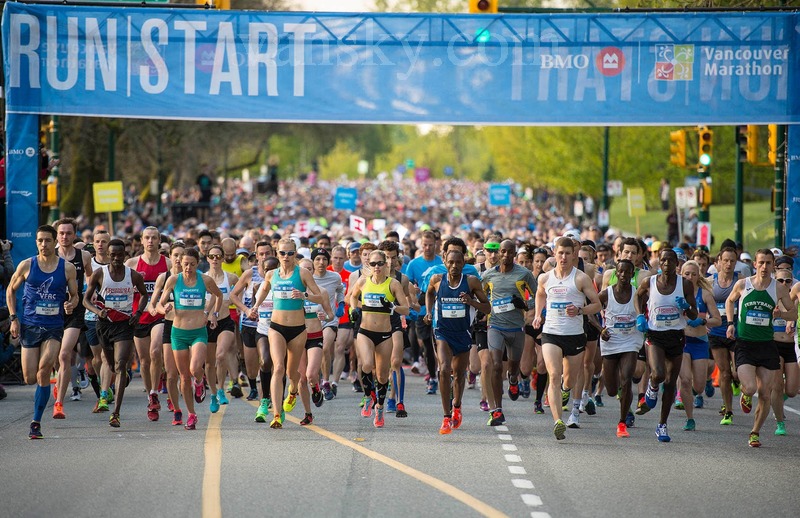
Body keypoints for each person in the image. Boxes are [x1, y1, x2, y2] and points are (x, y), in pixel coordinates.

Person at [6, 225, 79, 439]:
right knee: (30, 377)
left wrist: (71, 304)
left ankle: (35, 423)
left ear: (54, 241)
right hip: (30, 325)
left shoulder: (66, 269)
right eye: (40, 241)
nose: (44, 245)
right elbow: (11, 290)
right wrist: (13, 318)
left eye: (48, 240)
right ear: (36, 242)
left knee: (44, 370)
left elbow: (74, 295)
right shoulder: (27, 265)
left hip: (54, 326)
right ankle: (46, 389)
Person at [248, 238, 324, 429]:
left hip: (298, 330)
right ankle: (276, 414)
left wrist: (304, 295)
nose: (286, 257)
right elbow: (263, 292)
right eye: (282, 253)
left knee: (293, 374)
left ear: (295, 253)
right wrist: (255, 308)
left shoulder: (303, 273)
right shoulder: (272, 274)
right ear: (277, 253)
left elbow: (320, 296)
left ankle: (292, 390)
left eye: (290, 253)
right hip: (276, 327)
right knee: (278, 367)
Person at [725, 249, 796, 447]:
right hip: (745, 344)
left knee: (765, 393)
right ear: (754, 265)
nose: (764, 267)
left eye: (768, 263)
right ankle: (746, 395)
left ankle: (755, 432)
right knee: (750, 387)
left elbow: (793, 313)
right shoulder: (743, 284)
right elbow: (730, 301)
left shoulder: (779, 289)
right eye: (761, 263)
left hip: (766, 345)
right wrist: (730, 323)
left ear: (774, 265)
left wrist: (780, 315)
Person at [533, 237, 601, 439]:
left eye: (567, 253)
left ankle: (566, 389)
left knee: (569, 380)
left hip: (575, 335)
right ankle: (557, 421)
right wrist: (538, 315)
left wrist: (580, 309)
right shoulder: (545, 278)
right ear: (554, 254)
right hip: (551, 333)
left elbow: (597, 304)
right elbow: (540, 294)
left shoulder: (581, 278)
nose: (563, 257)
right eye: (560, 253)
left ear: (574, 255)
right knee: (554, 375)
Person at [83, 239, 149, 427]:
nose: (117, 258)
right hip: (104, 325)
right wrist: (98, 311)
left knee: (120, 365)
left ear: (125, 254)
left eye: (120, 254)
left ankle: (116, 413)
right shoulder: (99, 274)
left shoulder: (133, 275)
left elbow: (144, 294)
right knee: (111, 365)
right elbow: (85, 300)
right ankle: (121, 376)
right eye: (113, 255)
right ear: (109, 255)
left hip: (124, 325)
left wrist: (138, 313)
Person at [425, 250, 490, 434]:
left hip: (463, 332)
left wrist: (471, 302)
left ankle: (457, 406)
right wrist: (429, 313)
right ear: (445, 261)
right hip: (442, 331)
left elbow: (487, 307)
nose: (454, 266)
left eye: (458, 262)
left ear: (464, 263)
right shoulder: (437, 279)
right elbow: (429, 294)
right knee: (444, 369)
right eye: (450, 262)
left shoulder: (471, 282)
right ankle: (446, 417)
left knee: (460, 374)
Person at [636, 247, 698, 443]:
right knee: (659, 374)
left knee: (671, 382)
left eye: (671, 261)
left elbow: (694, 315)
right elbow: (638, 296)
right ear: (659, 263)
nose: (667, 264)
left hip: (677, 336)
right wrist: (639, 314)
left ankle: (662, 424)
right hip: (655, 334)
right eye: (663, 261)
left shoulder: (685, 284)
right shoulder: (650, 282)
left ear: (677, 264)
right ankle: (652, 387)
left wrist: (686, 307)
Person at [158, 248, 223, 430]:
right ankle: (191, 414)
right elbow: (161, 303)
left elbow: (218, 295)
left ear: (197, 264)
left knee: (195, 369)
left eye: (192, 264)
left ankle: (200, 382)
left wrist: (212, 314)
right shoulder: (173, 280)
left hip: (198, 332)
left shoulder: (205, 280)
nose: (188, 268)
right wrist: (166, 309)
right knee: (184, 377)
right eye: (185, 264)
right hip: (178, 333)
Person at [349, 249, 410, 428]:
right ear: (369, 265)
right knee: (367, 364)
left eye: (380, 263)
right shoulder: (363, 281)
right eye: (373, 264)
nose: (376, 267)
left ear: (386, 265)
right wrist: (354, 309)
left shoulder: (393, 284)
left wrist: (391, 306)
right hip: (365, 331)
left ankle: (380, 407)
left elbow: (405, 309)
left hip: (385, 334)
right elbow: (353, 297)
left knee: (383, 375)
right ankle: (369, 396)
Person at [481, 240, 538, 427]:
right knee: (496, 365)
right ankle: (497, 410)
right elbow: (480, 296)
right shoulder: (488, 275)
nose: (505, 255)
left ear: (514, 254)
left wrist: (524, 304)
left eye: (509, 252)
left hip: (516, 328)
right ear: (499, 253)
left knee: (513, 367)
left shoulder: (524, 274)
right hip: (495, 326)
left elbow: (537, 298)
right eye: (502, 251)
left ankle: (513, 379)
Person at [126, 226, 170, 422]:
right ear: (142, 241)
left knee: (155, 352)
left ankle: (155, 391)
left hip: (160, 316)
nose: (150, 241)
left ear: (159, 240)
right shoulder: (132, 264)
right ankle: (150, 396)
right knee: (144, 361)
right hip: (139, 317)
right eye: (147, 238)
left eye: (154, 238)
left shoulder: (167, 263)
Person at [52, 218, 93, 419]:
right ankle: (60, 379)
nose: (65, 236)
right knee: (55, 357)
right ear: (56, 235)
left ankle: (59, 403)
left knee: (64, 354)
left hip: (75, 311)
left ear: (75, 234)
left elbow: (91, 280)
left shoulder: (83, 256)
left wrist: (88, 298)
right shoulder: (50, 255)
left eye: (69, 233)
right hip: (53, 310)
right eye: (61, 233)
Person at [598, 259, 642, 437]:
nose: (623, 275)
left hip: (631, 341)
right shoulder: (606, 294)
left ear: (632, 274)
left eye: (627, 272)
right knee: (611, 389)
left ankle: (622, 422)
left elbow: (649, 309)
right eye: (620, 272)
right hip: (611, 342)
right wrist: (601, 330)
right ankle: (619, 394)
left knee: (626, 380)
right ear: (616, 273)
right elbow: (590, 310)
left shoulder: (638, 294)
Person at [676, 260, 721, 431]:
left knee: (698, 386)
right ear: (682, 274)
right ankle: (690, 418)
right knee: (686, 380)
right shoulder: (676, 293)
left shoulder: (705, 295)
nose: (690, 277)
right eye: (687, 273)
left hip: (700, 342)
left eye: (694, 274)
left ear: (698, 276)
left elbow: (717, 320)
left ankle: (698, 389)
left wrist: (702, 321)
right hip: (683, 341)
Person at [229, 240, 273, 401]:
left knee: (267, 361)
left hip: (271, 325)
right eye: (261, 254)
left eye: (267, 253)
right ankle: (253, 387)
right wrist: (246, 310)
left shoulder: (279, 274)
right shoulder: (250, 274)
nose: (264, 257)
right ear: (256, 255)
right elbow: (233, 295)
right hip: (250, 324)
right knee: (252, 363)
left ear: (273, 254)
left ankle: (268, 392)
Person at [150, 242, 187, 425]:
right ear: (169, 258)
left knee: (185, 372)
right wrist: (162, 309)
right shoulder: (163, 278)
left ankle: (198, 381)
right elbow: (154, 303)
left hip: (188, 328)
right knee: (171, 373)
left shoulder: (192, 278)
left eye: (182, 255)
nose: (179, 259)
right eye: (175, 255)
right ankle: (176, 409)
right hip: (169, 325)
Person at [296, 258, 335, 425]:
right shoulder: (293, 291)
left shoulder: (321, 291)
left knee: (311, 374)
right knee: (301, 378)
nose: (307, 272)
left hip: (315, 336)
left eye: (309, 269)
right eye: (303, 269)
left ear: (312, 272)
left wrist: (324, 317)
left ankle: (316, 387)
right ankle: (308, 413)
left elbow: (330, 315)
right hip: (297, 337)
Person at [405, 230, 443, 395]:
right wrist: (413, 289)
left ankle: (442, 373)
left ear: (436, 244)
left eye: (430, 245)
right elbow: (406, 285)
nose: (427, 248)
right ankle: (433, 377)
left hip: (440, 310)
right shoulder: (414, 264)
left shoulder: (442, 262)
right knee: (427, 344)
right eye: (424, 245)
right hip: (421, 311)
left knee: (440, 343)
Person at [203, 245, 239, 414]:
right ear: (207, 259)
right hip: (207, 323)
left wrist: (240, 305)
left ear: (223, 258)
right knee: (209, 363)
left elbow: (241, 289)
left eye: (218, 256)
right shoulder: (202, 278)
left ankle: (222, 389)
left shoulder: (230, 277)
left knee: (221, 355)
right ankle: (213, 393)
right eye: (212, 256)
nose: (215, 259)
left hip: (224, 321)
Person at [707, 247, 740, 426]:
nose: (728, 264)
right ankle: (728, 410)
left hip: (735, 330)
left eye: (732, 261)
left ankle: (738, 383)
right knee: (725, 373)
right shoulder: (710, 282)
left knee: (737, 372)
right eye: (725, 260)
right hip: (717, 332)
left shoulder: (741, 281)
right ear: (719, 261)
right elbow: (700, 297)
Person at [309, 248, 344, 404]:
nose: (321, 263)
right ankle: (313, 381)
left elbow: (340, 289)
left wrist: (341, 303)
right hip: (310, 320)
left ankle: (325, 381)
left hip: (329, 319)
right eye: (317, 259)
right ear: (312, 261)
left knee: (324, 347)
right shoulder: (307, 277)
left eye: (324, 259)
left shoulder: (334, 277)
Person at [772, 267, 799, 436]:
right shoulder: (771, 298)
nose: (784, 283)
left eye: (787, 281)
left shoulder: (793, 300)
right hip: (774, 345)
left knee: (791, 390)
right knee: (777, 385)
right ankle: (780, 420)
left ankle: (776, 402)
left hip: (791, 346)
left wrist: (788, 317)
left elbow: (795, 315)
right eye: (780, 281)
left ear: (791, 282)